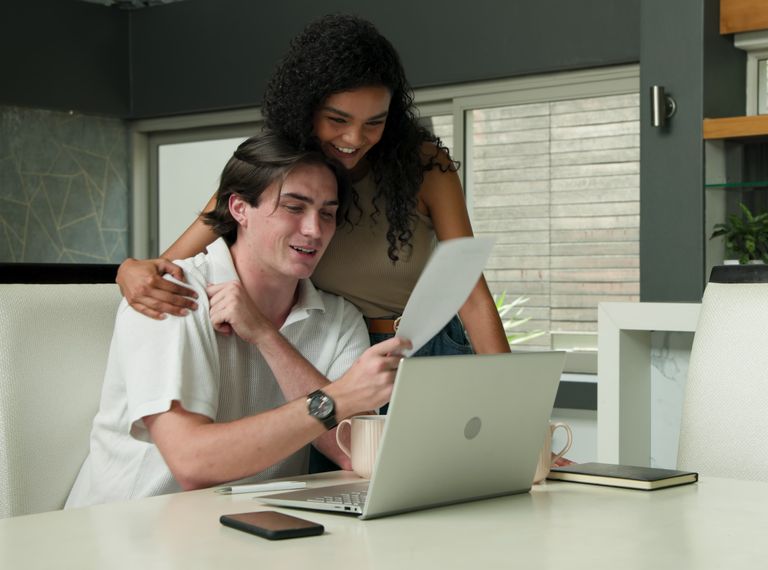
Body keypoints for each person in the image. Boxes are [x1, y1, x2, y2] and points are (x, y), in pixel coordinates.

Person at [115, 14, 509, 357]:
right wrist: (127, 272)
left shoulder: (424, 166)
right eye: (337, 120)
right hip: (328, 351)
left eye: (374, 121)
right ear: (306, 109)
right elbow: (171, 262)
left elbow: (471, 294)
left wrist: (519, 414)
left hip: (428, 349)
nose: (355, 138)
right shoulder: (274, 173)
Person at [65, 132, 410, 508]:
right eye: (294, 208)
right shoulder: (169, 294)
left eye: (327, 213)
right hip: (125, 531)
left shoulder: (340, 318)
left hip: (245, 527)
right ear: (239, 208)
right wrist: (335, 397)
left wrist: (265, 336)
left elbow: (356, 456)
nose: (314, 229)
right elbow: (192, 462)